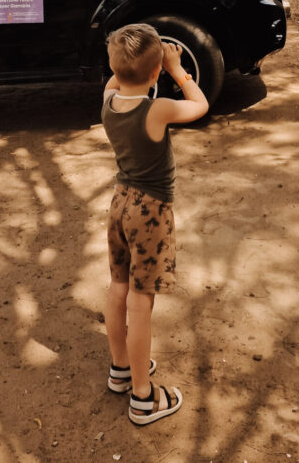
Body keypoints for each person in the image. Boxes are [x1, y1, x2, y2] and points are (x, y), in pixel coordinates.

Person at [101, 23, 209, 426]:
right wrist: (176, 68)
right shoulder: (156, 109)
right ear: (154, 73)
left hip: (119, 204)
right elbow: (199, 105)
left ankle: (121, 369)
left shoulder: (108, 99)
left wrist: (142, 59)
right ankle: (144, 398)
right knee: (141, 300)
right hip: (150, 211)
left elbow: (121, 74)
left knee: (118, 287)